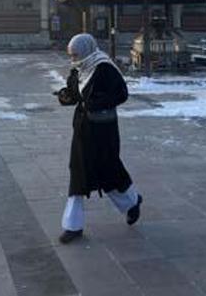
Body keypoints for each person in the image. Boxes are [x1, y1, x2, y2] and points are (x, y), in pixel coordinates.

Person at [56, 33, 142, 244]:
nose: (72, 59)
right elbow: (75, 94)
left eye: (75, 54)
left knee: (109, 171)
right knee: (77, 173)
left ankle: (132, 202)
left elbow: (121, 94)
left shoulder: (104, 67)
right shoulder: (79, 67)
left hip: (103, 131)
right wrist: (65, 96)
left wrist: (97, 102)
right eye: (71, 55)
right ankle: (72, 225)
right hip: (83, 130)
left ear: (86, 50)